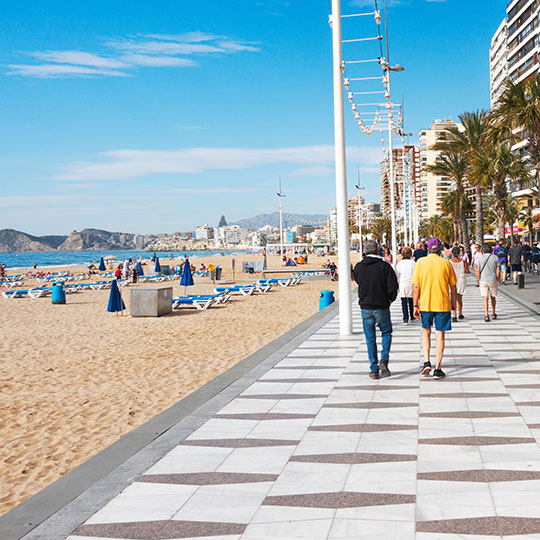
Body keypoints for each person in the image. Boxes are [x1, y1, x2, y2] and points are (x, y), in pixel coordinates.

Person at [412, 238, 457, 379]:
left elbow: (416, 286)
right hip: (443, 304)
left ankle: (426, 362)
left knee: (426, 331)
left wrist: (415, 305)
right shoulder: (446, 263)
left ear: (427, 249)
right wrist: (453, 303)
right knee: (440, 335)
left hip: (425, 304)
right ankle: (437, 368)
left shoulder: (420, 262)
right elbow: (453, 286)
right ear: (440, 250)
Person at [353, 240, 398, 380]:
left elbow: (358, 280)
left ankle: (373, 369)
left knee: (370, 338)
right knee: (386, 332)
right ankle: (384, 359)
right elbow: (393, 287)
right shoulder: (385, 267)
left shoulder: (359, 267)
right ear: (378, 251)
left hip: (366, 307)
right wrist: (390, 300)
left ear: (364, 252)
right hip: (382, 306)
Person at [476, 244, 501, 322]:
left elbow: (478, 270)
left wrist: (478, 279)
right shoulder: (495, 258)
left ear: (483, 250)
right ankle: (493, 313)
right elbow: (498, 269)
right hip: (492, 279)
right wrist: (497, 278)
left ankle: (486, 315)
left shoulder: (480, 258)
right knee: (493, 297)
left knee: (485, 298)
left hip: (483, 280)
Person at [395, 247, 415, 325]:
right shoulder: (413, 263)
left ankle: (405, 318)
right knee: (411, 300)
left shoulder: (400, 263)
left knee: (403, 301)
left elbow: (396, 274)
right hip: (411, 282)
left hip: (403, 282)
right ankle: (412, 315)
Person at [450, 246, 469, 322]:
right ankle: (460, 314)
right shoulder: (463, 261)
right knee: (460, 298)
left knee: (453, 298)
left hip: (453, 280)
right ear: (459, 253)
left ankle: (454, 315)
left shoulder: (449, 262)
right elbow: (467, 271)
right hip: (461, 279)